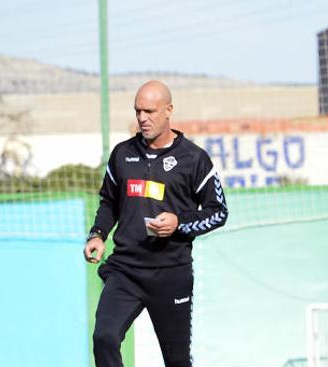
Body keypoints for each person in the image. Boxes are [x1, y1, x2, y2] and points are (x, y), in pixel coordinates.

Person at [84, 80, 228, 367]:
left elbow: (218, 211)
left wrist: (179, 223)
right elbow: (109, 202)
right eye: (138, 111)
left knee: (176, 361)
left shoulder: (193, 158)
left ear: (169, 111)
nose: (142, 118)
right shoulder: (122, 154)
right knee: (104, 338)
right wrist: (98, 235)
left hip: (170, 273)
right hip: (125, 271)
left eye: (149, 111)